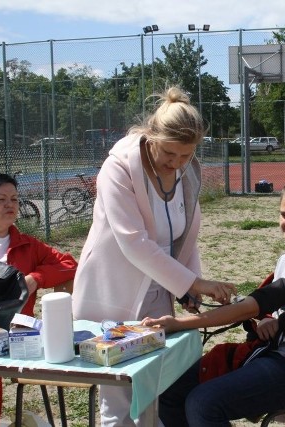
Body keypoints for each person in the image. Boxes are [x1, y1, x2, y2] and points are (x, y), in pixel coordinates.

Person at [71, 86, 236, 427]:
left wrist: (188, 288)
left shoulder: (188, 171)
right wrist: (195, 282)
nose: (176, 163)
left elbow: (185, 234)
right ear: (151, 136)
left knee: (151, 390)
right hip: (114, 290)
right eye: (169, 153)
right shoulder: (118, 168)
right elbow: (133, 241)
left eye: (185, 156)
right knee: (118, 398)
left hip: (158, 287)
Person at [143, 177, 285, 427]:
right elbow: (270, 308)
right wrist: (269, 320)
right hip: (275, 357)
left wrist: (181, 323)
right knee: (170, 394)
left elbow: (255, 304)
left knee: (203, 403)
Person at [0, 172, 78, 427]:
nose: (10, 205)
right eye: (1, 199)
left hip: (3, 331)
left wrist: (35, 278)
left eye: (15, 199)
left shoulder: (28, 245)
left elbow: (68, 264)